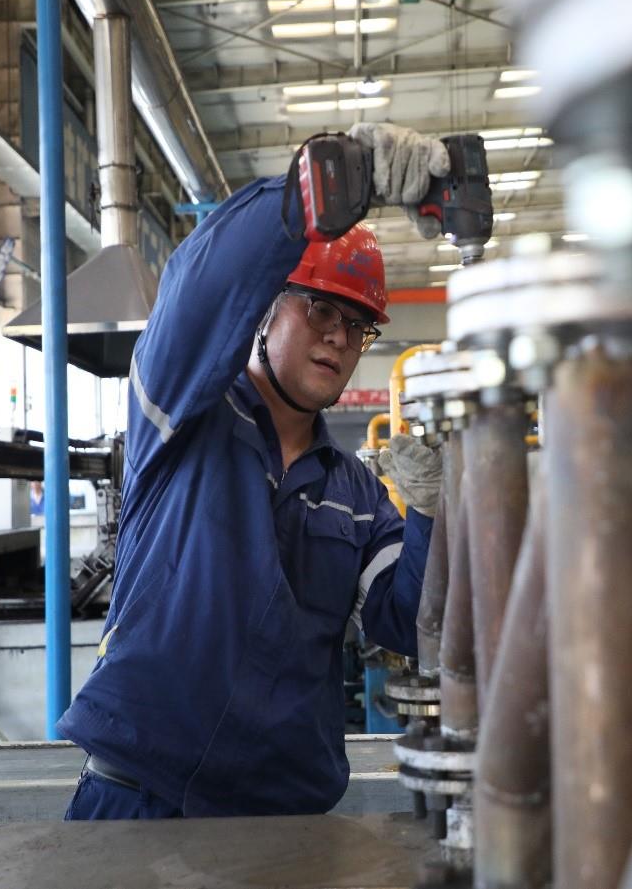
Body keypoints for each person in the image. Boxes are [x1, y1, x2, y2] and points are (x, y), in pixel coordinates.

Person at [58, 123, 450, 819]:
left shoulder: (356, 494)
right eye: (321, 308)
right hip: (139, 800)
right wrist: (310, 193)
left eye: (359, 325)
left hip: (284, 821)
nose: (339, 336)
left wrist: (430, 511)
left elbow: (408, 621)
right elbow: (195, 292)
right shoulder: (185, 416)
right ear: (265, 313)